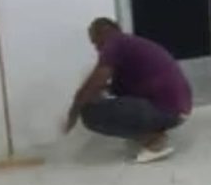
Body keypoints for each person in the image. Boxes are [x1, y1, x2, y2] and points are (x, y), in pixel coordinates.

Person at [64, 18, 192, 164]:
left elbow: (94, 83)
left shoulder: (115, 43)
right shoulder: (129, 46)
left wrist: (73, 113)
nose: (97, 48)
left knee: (89, 113)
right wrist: (99, 92)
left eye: (95, 42)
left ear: (104, 32)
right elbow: (112, 89)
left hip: (168, 110)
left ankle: (154, 140)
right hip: (178, 110)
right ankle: (150, 133)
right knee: (101, 102)